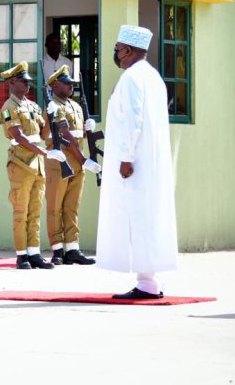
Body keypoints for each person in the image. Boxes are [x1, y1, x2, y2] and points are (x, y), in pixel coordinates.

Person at [97, 25, 178, 299]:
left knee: (137, 219)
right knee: (148, 218)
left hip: (136, 162)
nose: (116, 55)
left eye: (118, 50)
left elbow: (133, 119)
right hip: (150, 163)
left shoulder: (132, 77)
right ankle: (150, 280)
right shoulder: (152, 76)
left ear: (129, 50)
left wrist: (126, 158)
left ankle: (146, 284)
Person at [0, 61, 66, 269]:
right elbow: (18, 137)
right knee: (21, 210)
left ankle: (34, 252)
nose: (27, 85)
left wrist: (49, 116)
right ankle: (21, 255)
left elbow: (43, 133)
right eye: (23, 81)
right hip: (21, 162)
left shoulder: (33, 106)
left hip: (37, 164)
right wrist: (45, 152)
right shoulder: (9, 108)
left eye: (28, 81)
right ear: (12, 82)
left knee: (35, 209)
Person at [43, 65, 101, 265]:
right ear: (55, 85)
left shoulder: (75, 106)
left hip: (76, 161)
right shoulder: (53, 107)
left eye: (71, 84)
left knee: (71, 206)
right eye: (67, 84)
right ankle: (58, 249)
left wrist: (88, 129)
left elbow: (78, 135)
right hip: (60, 162)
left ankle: (72, 248)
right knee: (55, 207)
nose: (71, 87)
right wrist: (85, 160)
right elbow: (65, 135)